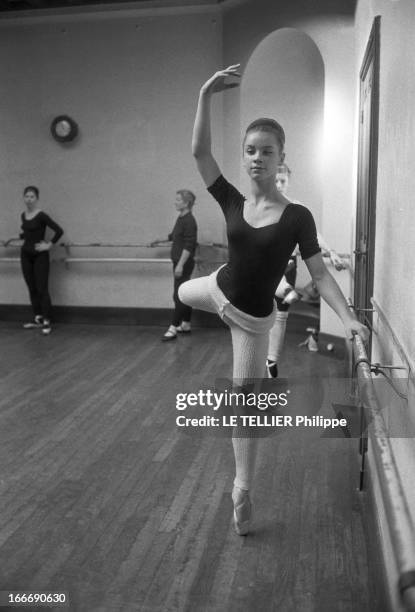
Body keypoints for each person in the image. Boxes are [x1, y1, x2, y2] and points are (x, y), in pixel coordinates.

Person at [179, 64, 369, 536]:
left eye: (266, 151)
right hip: (216, 289)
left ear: (281, 158)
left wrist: (347, 319)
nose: (256, 158)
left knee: (244, 399)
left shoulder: (297, 217)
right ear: (243, 158)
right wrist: (205, 91)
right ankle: (193, 292)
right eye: (250, 151)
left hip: (249, 320)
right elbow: (199, 151)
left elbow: (320, 274)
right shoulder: (230, 201)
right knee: (183, 291)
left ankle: (242, 490)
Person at [267, 163, 347, 377]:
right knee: (261, 313)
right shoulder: (261, 205)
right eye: (275, 180)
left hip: (288, 265)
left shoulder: (296, 208)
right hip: (265, 266)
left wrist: (331, 252)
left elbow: (313, 235)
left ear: (289, 181)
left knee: (282, 314)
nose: (279, 184)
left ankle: (271, 360)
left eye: (283, 180)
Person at [14, 186, 64, 335]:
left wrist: (49, 245)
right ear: (24, 198)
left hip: (40, 256)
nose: (29, 199)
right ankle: (38, 318)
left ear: (36, 199)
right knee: (32, 287)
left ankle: (47, 320)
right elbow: (29, 232)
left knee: (42, 288)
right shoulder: (23, 215)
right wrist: (20, 238)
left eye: (32, 197)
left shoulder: (41, 215)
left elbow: (58, 230)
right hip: (25, 255)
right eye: (27, 196)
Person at [152, 190, 198, 341]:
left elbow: (189, 246)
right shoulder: (181, 218)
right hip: (179, 263)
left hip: (183, 264)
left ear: (186, 203)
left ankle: (173, 328)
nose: (175, 202)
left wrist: (180, 265)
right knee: (184, 294)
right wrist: (159, 240)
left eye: (178, 200)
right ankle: (185, 324)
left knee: (178, 295)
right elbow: (175, 236)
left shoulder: (190, 221)